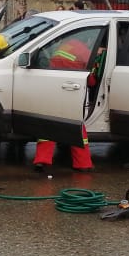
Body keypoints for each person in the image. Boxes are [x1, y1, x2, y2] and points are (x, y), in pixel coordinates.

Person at [32, 37, 95, 173]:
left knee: (49, 125)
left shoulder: (64, 46)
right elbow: (91, 81)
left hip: (55, 86)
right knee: (77, 128)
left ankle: (42, 160)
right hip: (72, 90)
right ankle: (83, 164)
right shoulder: (86, 52)